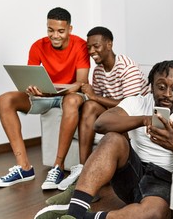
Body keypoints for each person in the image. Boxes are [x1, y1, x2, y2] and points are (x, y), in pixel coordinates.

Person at [33, 60, 173, 219]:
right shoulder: (137, 102)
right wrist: (144, 119)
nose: (166, 94)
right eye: (161, 87)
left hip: (164, 181)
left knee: (155, 216)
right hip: (134, 171)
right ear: (151, 85)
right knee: (113, 138)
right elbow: (101, 123)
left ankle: (78, 216)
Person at [0, 7, 90, 190]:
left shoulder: (81, 45)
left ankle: (58, 167)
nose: (55, 35)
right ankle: (24, 168)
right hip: (44, 95)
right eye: (50, 30)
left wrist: (60, 91)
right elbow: (31, 77)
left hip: (69, 95)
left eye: (61, 31)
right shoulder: (38, 45)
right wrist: (32, 89)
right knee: (4, 99)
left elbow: (81, 83)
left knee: (73, 100)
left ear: (70, 29)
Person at [57, 26, 150, 191]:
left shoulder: (128, 68)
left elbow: (131, 104)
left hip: (136, 114)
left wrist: (93, 96)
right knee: (90, 106)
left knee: (92, 102)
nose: (92, 51)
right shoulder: (98, 71)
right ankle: (83, 168)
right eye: (89, 47)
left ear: (109, 45)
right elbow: (98, 102)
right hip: (116, 111)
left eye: (96, 46)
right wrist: (90, 97)